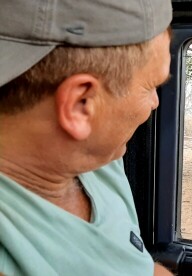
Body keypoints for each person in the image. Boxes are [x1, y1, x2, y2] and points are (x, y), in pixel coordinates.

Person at [0, 0, 173, 275]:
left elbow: (136, 266)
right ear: (81, 104)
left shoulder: (98, 159)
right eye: (151, 86)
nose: (155, 102)